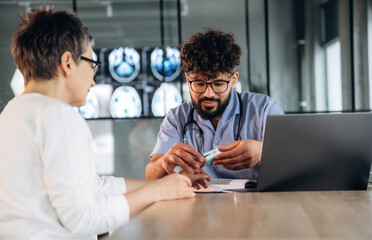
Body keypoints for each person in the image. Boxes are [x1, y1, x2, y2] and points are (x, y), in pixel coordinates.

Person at [0, 7, 208, 240]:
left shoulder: (11, 113)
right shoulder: (58, 116)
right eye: (91, 64)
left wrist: (167, 184)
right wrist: (160, 191)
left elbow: (91, 186)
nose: (94, 77)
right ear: (68, 62)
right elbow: (83, 217)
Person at [145, 28, 284, 180]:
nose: (208, 94)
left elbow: (293, 161)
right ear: (187, 80)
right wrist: (163, 162)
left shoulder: (263, 109)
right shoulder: (176, 118)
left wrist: (262, 152)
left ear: (233, 80)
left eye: (218, 84)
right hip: (198, 202)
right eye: (199, 83)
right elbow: (150, 177)